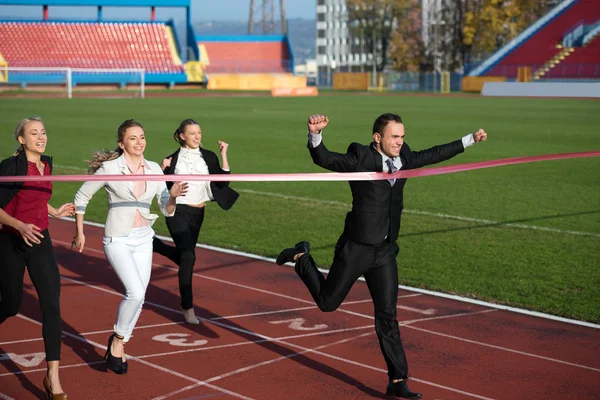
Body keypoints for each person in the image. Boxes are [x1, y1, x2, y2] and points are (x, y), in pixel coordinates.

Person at [276, 113, 487, 399]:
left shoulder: (405, 156)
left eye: (402, 136)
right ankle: (302, 256)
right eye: (394, 137)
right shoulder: (360, 156)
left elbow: (434, 154)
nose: (400, 142)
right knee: (327, 303)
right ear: (378, 138)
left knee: (387, 315)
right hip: (356, 248)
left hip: (385, 251)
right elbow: (326, 160)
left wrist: (470, 140)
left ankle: (398, 380)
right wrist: (315, 136)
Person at [71, 119, 187, 375]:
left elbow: (166, 209)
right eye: (133, 138)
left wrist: (174, 196)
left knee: (141, 296)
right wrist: (79, 231)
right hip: (118, 238)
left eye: (142, 137)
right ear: (122, 144)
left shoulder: (154, 168)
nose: (139, 142)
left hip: (144, 238)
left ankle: (118, 343)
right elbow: (82, 196)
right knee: (135, 293)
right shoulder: (109, 168)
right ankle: (117, 340)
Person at [0, 117, 76, 400]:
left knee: (52, 306)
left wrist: (53, 212)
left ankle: (52, 378)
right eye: (33, 133)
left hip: (40, 241)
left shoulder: (47, 164)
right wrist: (19, 225)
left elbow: (37, 198)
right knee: (10, 304)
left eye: (43, 132)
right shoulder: (11, 166)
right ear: (21, 139)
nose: (41, 137)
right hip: (11, 241)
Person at [152, 119, 238, 324]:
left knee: (185, 257)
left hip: (198, 212)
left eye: (199, 133)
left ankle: (156, 245)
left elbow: (223, 182)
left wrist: (224, 154)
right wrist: (162, 170)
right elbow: (162, 189)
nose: (197, 137)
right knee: (189, 257)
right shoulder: (171, 160)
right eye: (192, 133)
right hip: (177, 211)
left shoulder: (208, 156)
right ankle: (187, 307)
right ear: (182, 136)